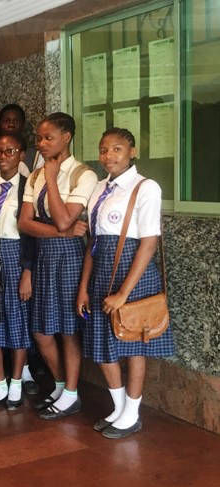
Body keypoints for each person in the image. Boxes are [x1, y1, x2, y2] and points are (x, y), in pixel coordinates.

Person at [77, 128, 174, 438]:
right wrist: (84, 287)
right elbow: (93, 243)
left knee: (133, 344)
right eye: (104, 149)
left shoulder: (146, 187)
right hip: (101, 271)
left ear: (132, 152)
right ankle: (119, 408)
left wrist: (123, 293)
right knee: (102, 345)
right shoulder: (99, 188)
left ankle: (132, 413)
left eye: (117, 149)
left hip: (133, 273)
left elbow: (148, 243)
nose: (109, 156)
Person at [18, 112, 98, 420]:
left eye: (48, 138)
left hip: (69, 257)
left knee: (67, 330)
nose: (41, 143)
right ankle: (62, 386)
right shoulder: (35, 175)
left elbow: (65, 218)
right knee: (41, 330)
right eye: (38, 138)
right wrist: (60, 231)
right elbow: (25, 223)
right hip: (44, 254)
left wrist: (52, 178)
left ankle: (72, 394)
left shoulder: (82, 175)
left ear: (66, 137)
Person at [0, 134, 36, 410]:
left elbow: (32, 235)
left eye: (10, 151)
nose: (3, 156)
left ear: (21, 154)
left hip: (16, 257)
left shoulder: (29, 186)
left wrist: (27, 271)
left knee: (18, 321)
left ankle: (16, 383)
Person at [0, 103, 39, 177]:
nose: (11, 124)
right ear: (0, 124)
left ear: (23, 125)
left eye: (16, 121)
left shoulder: (34, 155)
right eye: (7, 121)